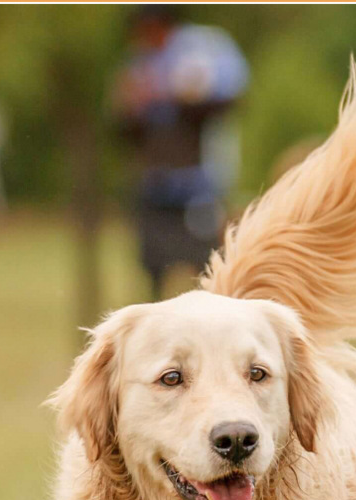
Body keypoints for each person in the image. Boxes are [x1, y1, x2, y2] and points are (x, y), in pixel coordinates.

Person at [114, 5, 248, 299]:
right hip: (156, 185)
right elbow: (125, 123)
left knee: (208, 267)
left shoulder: (204, 48)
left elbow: (228, 96)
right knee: (153, 267)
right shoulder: (139, 61)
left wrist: (171, 95)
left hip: (198, 185)